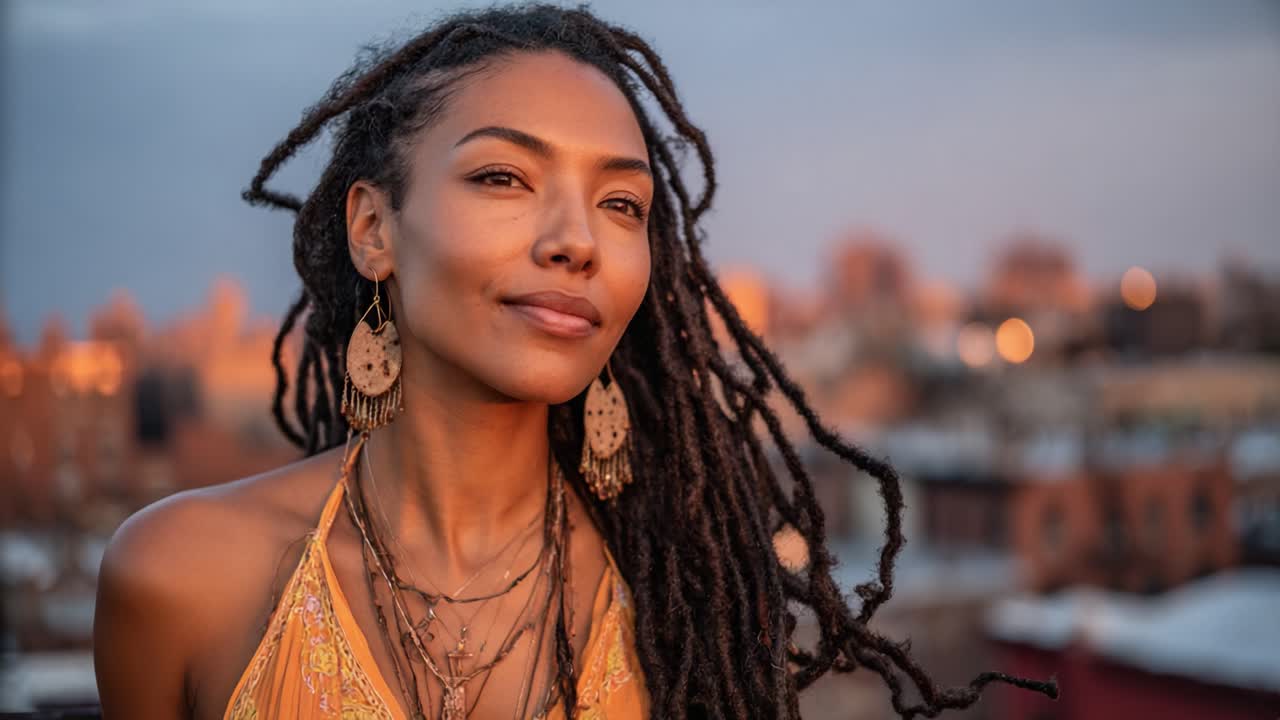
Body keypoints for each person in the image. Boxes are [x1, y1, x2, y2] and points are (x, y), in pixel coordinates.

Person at [93, 5, 1058, 719]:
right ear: (374, 229)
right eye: (503, 177)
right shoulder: (181, 581)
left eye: (623, 204)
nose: (577, 241)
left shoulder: (683, 615)